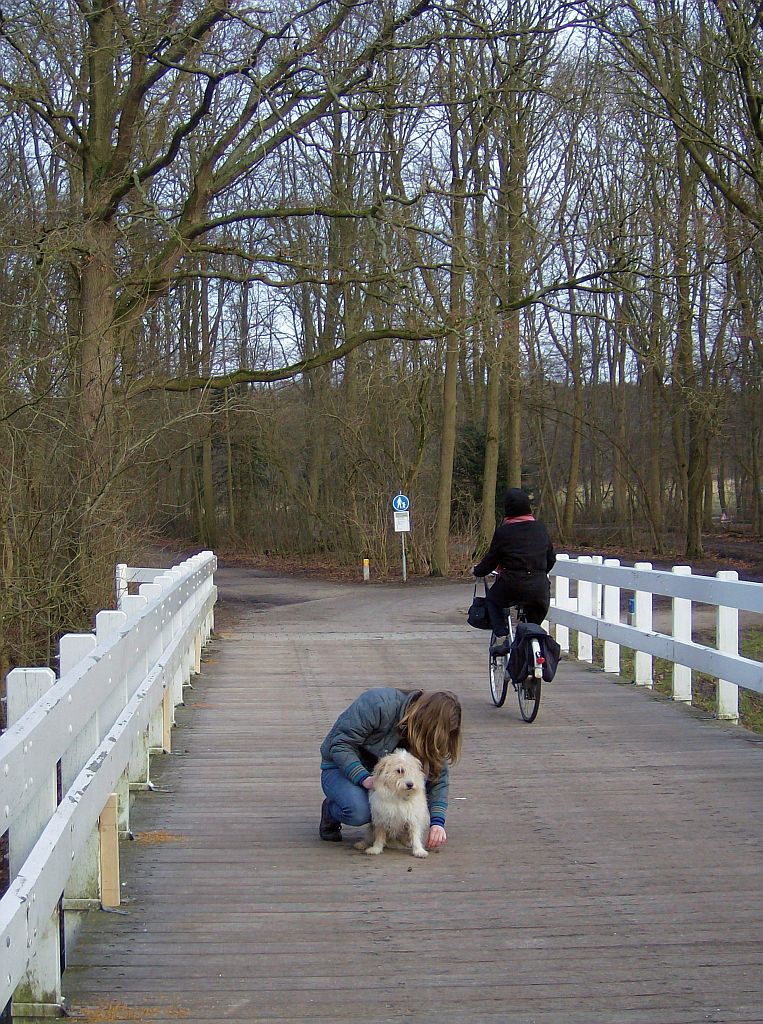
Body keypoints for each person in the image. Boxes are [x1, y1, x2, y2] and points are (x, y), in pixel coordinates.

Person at [319, 688, 462, 849]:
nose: (436, 740)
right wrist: (363, 777)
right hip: (340, 768)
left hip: (389, 780)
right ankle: (331, 810)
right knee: (359, 811)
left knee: (397, 804)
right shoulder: (378, 704)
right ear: (426, 720)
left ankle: (394, 832)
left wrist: (437, 822)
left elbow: (438, 777)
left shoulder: (429, 737)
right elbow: (340, 745)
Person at [472, 487, 556, 656]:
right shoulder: (540, 528)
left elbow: (491, 560)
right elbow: (551, 559)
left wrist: (477, 571)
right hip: (539, 588)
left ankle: (502, 637)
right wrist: (538, 572)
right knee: (534, 622)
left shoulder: (504, 531)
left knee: (493, 600)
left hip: (512, 585)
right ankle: (533, 649)